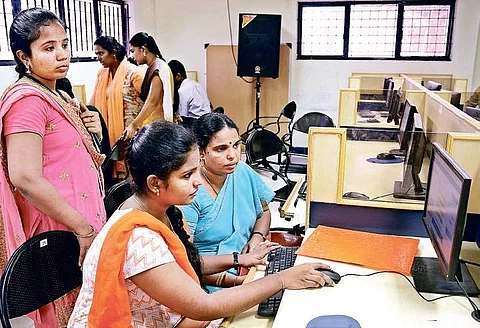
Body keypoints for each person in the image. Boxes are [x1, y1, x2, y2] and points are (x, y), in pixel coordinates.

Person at [68, 121, 335, 327]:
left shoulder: (161, 209)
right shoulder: (138, 238)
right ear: (154, 183)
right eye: (187, 175)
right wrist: (281, 279)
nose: (198, 181)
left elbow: (181, 263)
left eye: (197, 170)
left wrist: (241, 265)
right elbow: (202, 307)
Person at [0, 8, 106, 327]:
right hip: (58, 224)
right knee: (67, 311)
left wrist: (94, 131)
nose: (62, 54)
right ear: (24, 56)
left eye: (64, 44)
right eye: (49, 48)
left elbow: (73, 156)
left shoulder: (56, 94)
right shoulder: (28, 102)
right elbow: (24, 175)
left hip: (76, 222)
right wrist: (81, 226)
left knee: (89, 306)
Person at [181, 112, 276, 292]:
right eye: (221, 148)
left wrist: (257, 237)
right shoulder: (190, 192)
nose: (232, 155)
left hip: (249, 262)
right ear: (201, 151)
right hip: (210, 279)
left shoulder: (242, 171)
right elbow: (184, 262)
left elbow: (263, 211)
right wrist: (242, 282)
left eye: (236, 145)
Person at [90, 36, 144, 178]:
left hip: (131, 132)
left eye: (101, 53)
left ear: (113, 52)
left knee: (134, 172)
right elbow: (94, 101)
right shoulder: (102, 74)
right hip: (110, 132)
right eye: (96, 54)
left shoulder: (134, 73)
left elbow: (152, 102)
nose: (98, 58)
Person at [125, 32, 174, 139]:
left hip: (157, 127)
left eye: (133, 51)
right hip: (154, 124)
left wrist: (134, 125)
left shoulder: (158, 68)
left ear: (143, 50)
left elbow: (152, 102)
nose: (132, 56)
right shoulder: (154, 66)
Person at [168, 59, 211, 129]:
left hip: (196, 126)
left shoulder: (182, 91)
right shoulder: (196, 85)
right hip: (206, 122)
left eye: (171, 79)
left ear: (178, 76)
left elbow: (181, 118)